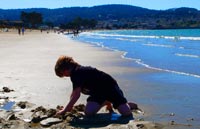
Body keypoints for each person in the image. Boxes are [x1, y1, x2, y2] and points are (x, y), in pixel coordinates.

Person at [55, 55, 138, 116]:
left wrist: (66, 110)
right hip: (98, 93)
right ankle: (107, 101)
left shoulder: (77, 73)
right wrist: (68, 106)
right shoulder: (74, 73)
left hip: (110, 87)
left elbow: (76, 95)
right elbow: (74, 93)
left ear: (65, 69)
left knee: (126, 113)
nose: (65, 76)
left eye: (63, 74)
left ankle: (128, 105)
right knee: (88, 112)